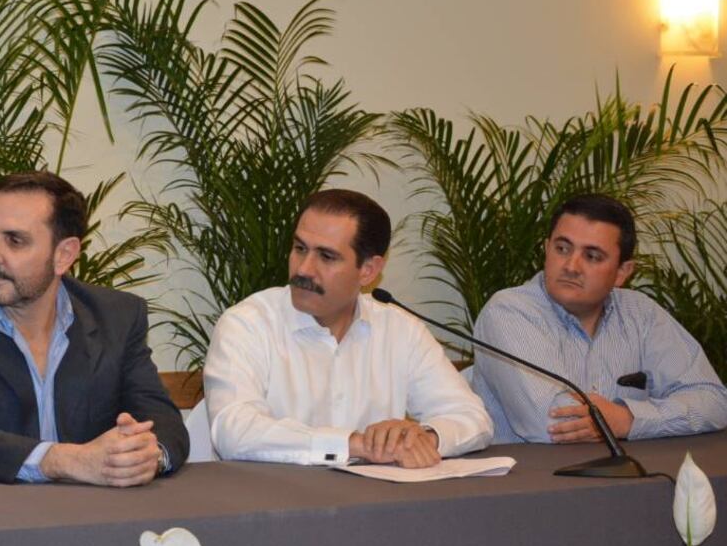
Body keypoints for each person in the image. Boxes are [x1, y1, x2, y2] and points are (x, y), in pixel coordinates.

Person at [0, 171, 188, 486]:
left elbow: (164, 422)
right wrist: (67, 460)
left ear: (64, 255)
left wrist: (147, 455)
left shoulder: (116, 316)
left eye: (14, 240)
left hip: (96, 518)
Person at [204, 189, 491, 467]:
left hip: (377, 506)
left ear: (368, 270)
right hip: (275, 504)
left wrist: (423, 437)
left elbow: (472, 417)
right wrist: (356, 444)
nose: (303, 269)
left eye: (326, 257)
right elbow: (234, 429)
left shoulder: (400, 330)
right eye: (300, 248)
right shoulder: (248, 324)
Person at [472, 193, 727, 444]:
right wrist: (624, 421)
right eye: (562, 249)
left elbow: (713, 401)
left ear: (622, 272)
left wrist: (628, 418)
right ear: (546, 249)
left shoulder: (643, 315)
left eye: (592, 256)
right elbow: (554, 425)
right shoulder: (509, 311)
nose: (571, 266)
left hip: (630, 475)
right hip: (531, 480)